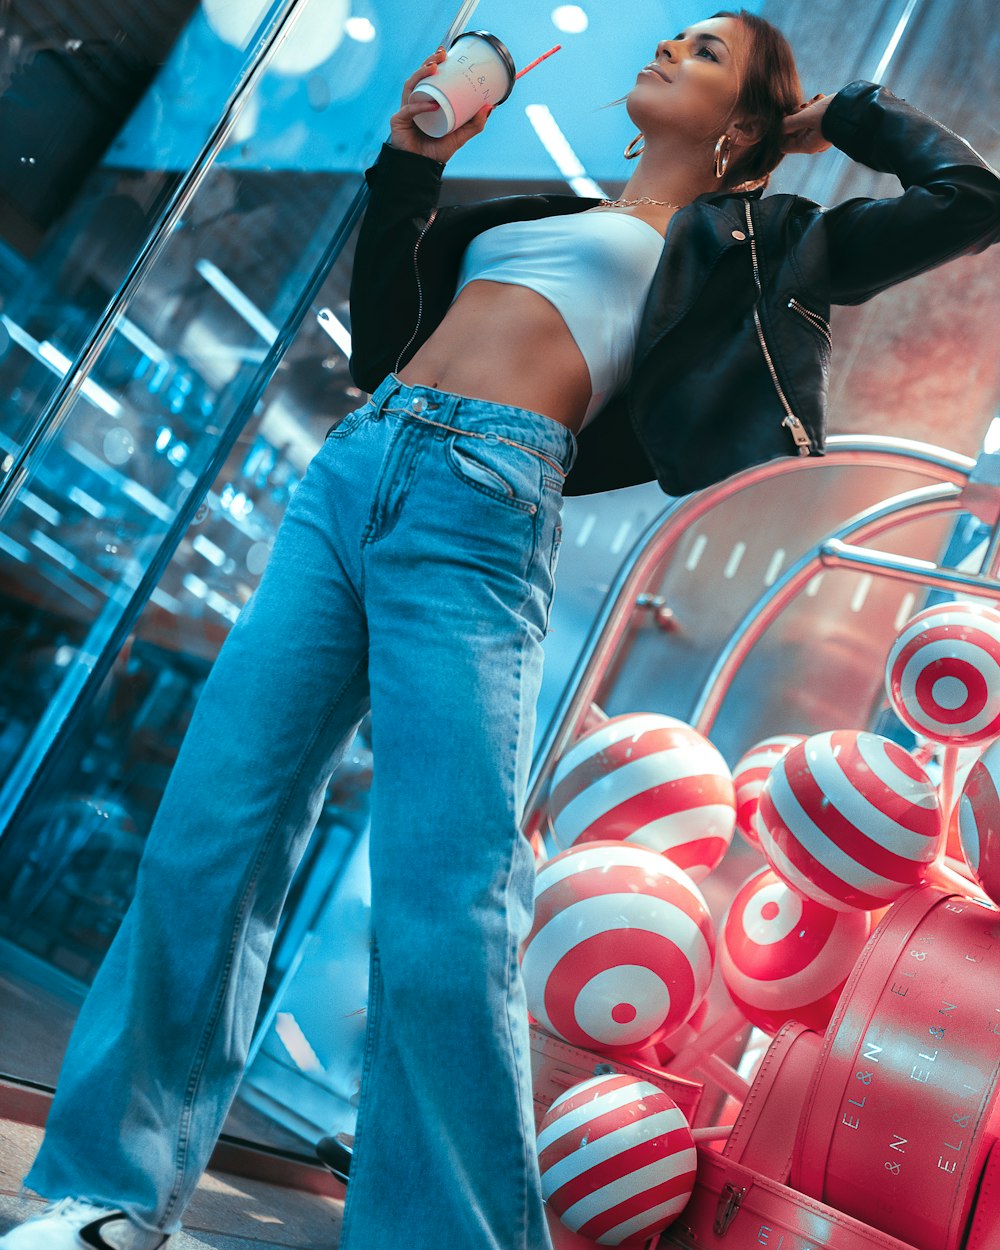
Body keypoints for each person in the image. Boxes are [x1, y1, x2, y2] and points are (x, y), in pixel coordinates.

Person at [3, 9, 998, 1250]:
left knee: (448, 890)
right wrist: (412, 162)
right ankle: (105, 1192)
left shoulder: (761, 241)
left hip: (481, 509)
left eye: (700, 53)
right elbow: (383, 344)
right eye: (672, 37)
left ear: (741, 124)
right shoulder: (534, 210)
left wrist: (829, 118)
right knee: (211, 833)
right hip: (354, 473)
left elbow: (970, 195)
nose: (665, 52)